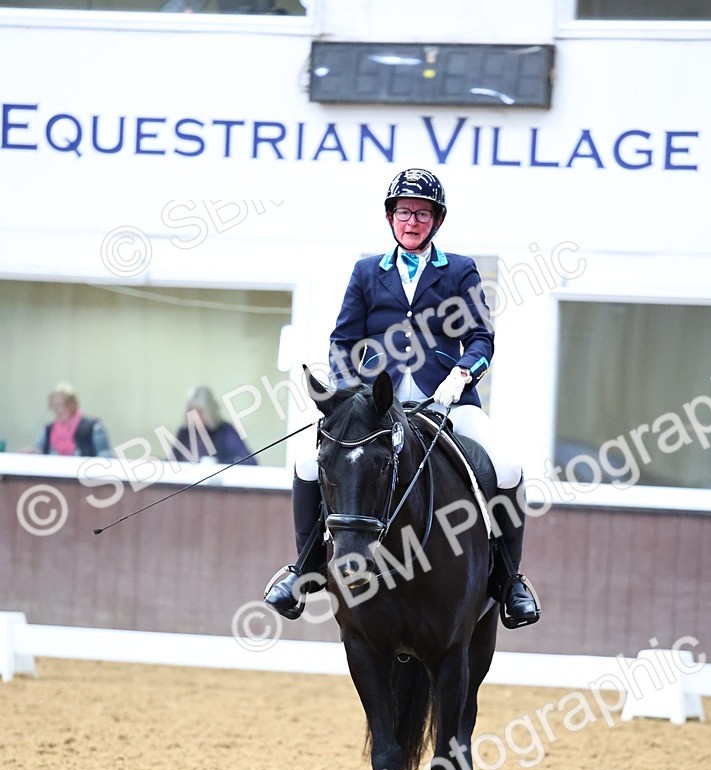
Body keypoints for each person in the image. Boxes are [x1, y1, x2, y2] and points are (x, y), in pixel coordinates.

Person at [264, 167, 540, 628]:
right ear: (391, 217)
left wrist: (461, 375)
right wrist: (352, 389)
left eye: (422, 213)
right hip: (379, 404)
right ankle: (306, 568)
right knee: (307, 464)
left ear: (436, 221)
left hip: (446, 402)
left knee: (508, 467)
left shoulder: (458, 270)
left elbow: (480, 338)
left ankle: (509, 582)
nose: (412, 221)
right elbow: (343, 342)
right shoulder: (368, 272)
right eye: (404, 212)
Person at [172, 385, 257, 465]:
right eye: (191, 411)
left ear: (209, 412)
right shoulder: (184, 434)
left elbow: (249, 461)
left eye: (199, 412)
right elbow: (172, 463)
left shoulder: (225, 432)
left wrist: (219, 463)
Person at [25, 382, 112, 457]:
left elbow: (106, 458)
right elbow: (39, 452)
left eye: (60, 405)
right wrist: (32, 453)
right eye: (53, 406)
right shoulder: (48, 430)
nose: (56, 410)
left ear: (73, 404)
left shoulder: (93, 428)